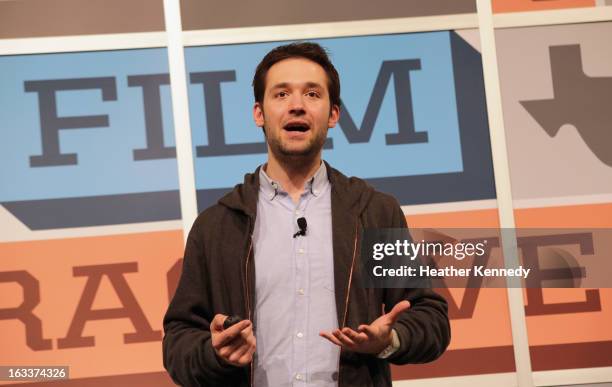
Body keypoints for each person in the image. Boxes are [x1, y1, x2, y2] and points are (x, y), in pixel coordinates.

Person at [163, 42, 450, 387]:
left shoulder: (374, 212)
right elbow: (178, 341)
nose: (297, 106)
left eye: (312, 94)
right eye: (281, 94)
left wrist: (389, 341)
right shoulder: (216, 226)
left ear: (332, 114)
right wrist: (214, 354)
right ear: (259, 113)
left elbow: (431, 320)